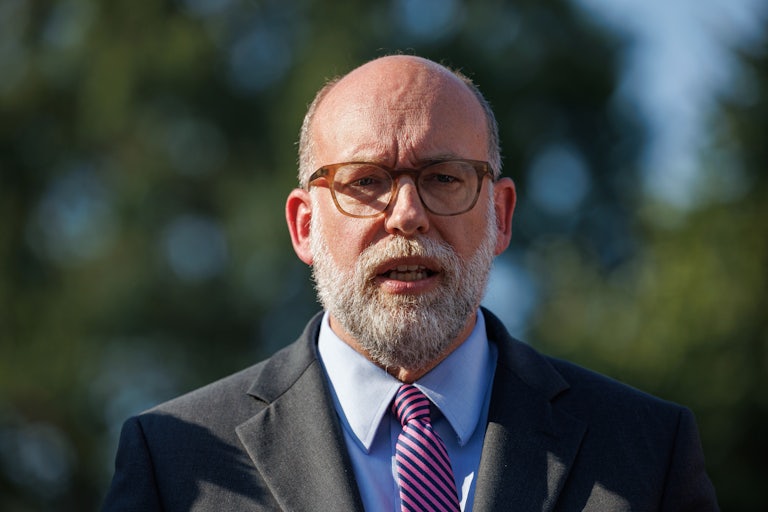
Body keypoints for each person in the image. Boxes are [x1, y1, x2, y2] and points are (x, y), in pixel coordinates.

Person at [102, 55, 718, 511]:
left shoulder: (647, 451)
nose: (407, 214)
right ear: (304, 225)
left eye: (445, 178)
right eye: (365, 181)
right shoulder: (172, 464)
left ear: (500, 216)